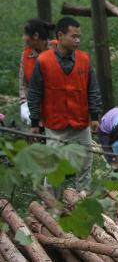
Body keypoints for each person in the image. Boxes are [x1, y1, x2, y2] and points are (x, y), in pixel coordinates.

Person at [28, 17, 102, 190]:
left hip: (80, 123)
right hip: (55, 125)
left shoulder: (84, 59)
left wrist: (95, 115)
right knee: (53, 168)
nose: (77, 40)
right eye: (73, 36)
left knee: (85, 164)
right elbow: (34, 93)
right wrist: (34, 121)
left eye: (79, 36)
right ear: (60, 35)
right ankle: (51, 209)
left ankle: (83, 202)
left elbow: (93, 89)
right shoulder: (43, 61)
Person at [19, 18, 57, 126]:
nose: (23, 38)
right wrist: (24, 104)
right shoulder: (26, 55)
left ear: (35, 36)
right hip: (35, 110)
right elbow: (23, 84)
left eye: (25, 34)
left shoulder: (59, 50)